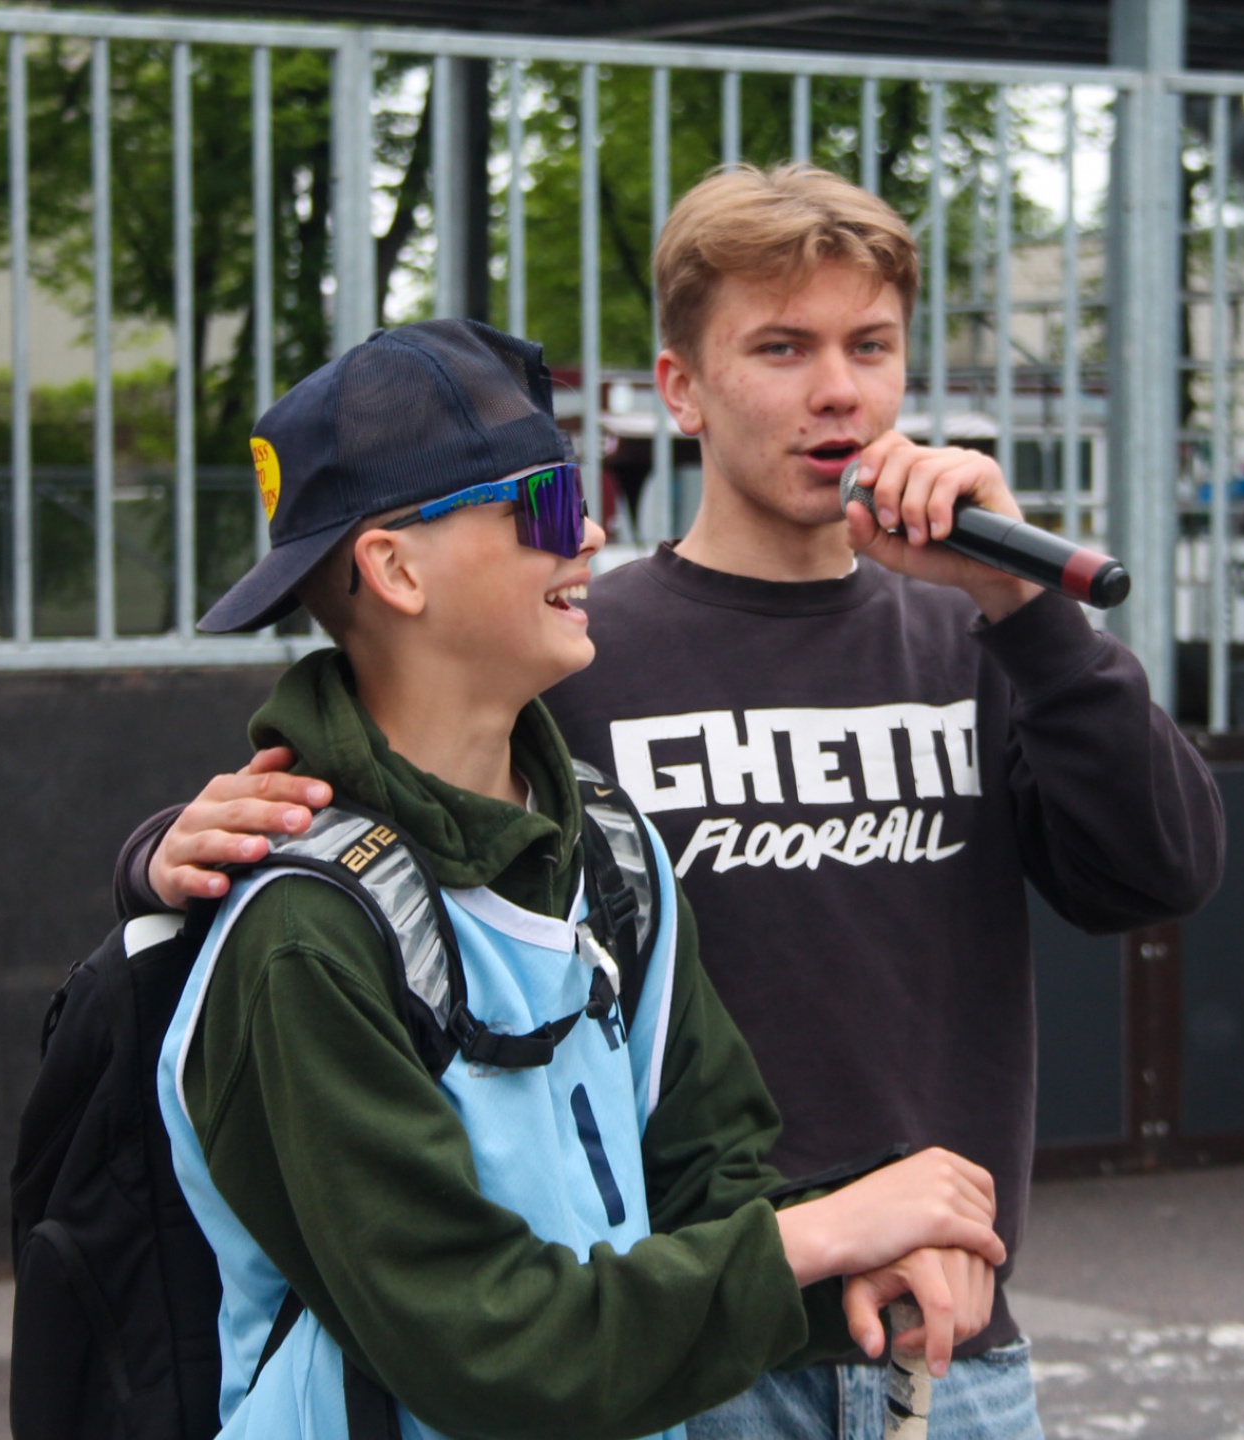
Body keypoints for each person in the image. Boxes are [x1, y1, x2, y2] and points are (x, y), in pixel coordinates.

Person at [120, 166, 1225, 1438]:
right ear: (681, 388)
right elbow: (372, 815)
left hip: (926, 1327)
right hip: (669, 1350)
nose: (837, 389)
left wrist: (1024, 608)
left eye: (870, 346)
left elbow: (1157, 872)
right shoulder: (574, 653)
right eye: (781, 347)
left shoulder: (975, 638)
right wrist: (170, 858)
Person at [154, 316, 1007, 1440]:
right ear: (395, 568)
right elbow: (481, 1344)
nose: (594, 532)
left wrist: (866, 1257)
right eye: (549, 504)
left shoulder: (608, 848)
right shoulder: (306, 931)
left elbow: (711, 1189)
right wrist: (820, 1236)